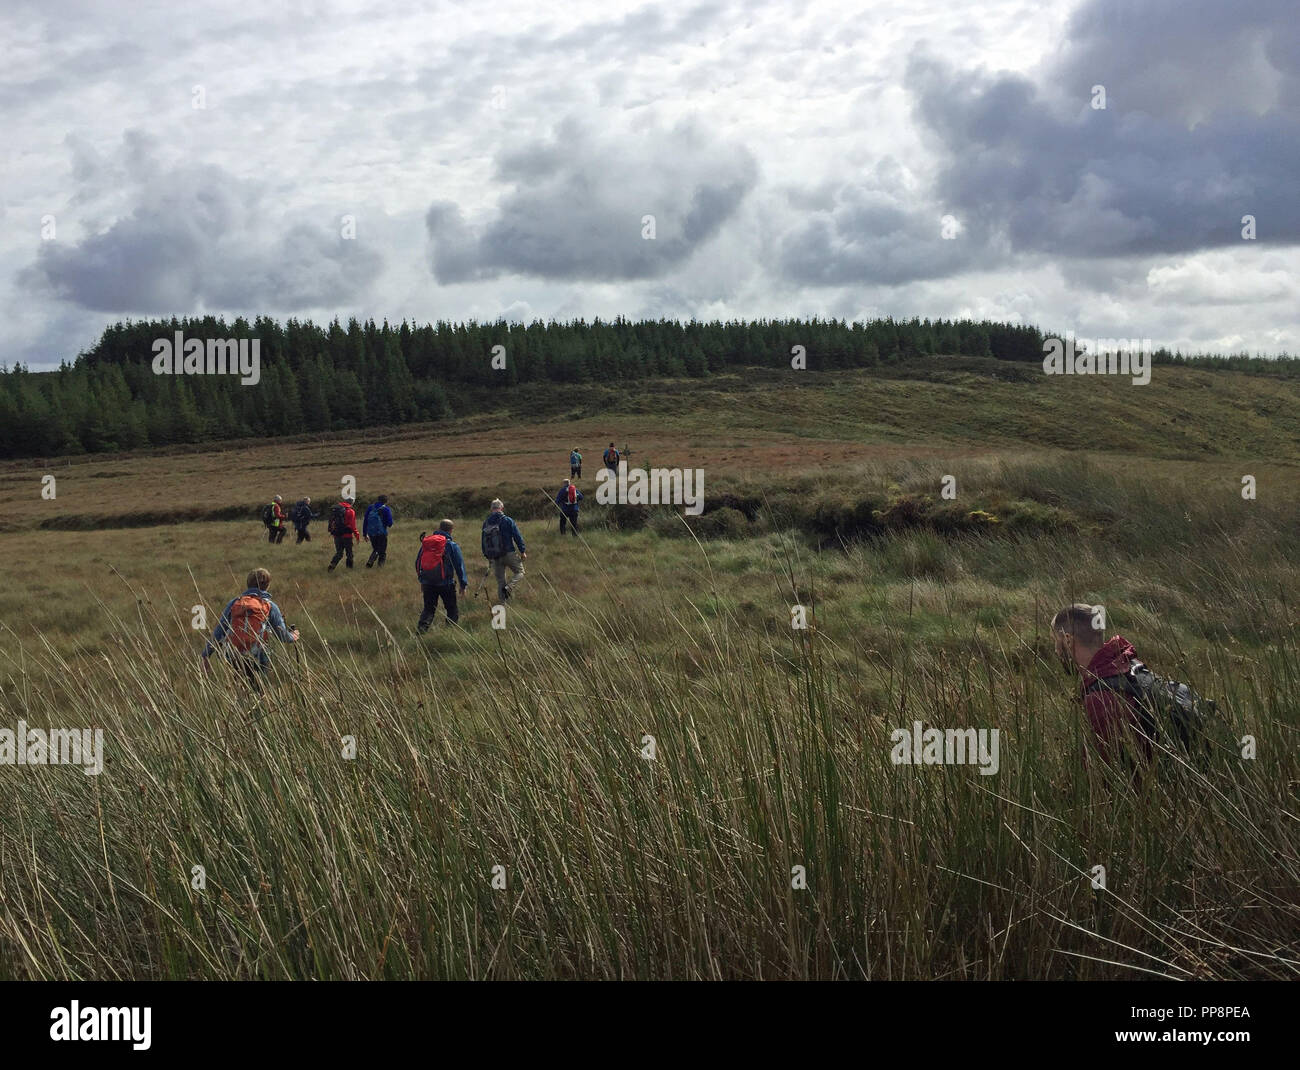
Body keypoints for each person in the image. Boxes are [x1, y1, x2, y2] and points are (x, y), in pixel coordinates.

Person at [1050, 604, 1153, 765]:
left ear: (1068, 640)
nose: (1056, 650)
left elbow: (1104, 776)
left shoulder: (1101, 699)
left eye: (1055, 641)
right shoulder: (1130, 665)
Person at [201, 567, 298, 689]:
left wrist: (206, 655)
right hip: (258, 656)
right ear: (267, 586)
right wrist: (293, 636)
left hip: (234, 657)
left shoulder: (235, 603)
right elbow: (282, 636)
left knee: (239, 690)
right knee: (259, 692)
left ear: (248, 584)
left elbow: (219, 631)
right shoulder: (270, 606)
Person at [416, 519, 469, 632]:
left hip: (428, 583)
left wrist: (422, 580)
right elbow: (459, 566)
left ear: (439, 528)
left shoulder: (426, 544)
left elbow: (418, 562)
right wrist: (463, 585)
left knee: (428, 609)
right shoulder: (451, 545)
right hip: (446, 583)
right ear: (451, 530)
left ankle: (421, 632)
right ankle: (450, 632)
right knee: (451, 609)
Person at [481, 498, 527, 602]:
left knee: (501, 581)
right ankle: (509, 587)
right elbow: (517, 536)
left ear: (491, 509)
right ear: (501, 508)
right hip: (509, 552)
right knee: (520, 572)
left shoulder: (486, 522)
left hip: (495, 556)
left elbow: (483, 541)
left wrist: (487, 556)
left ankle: (503, 604)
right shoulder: (507, 520)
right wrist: (522, 551)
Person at [327, 495, 360, 571]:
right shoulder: (351, 511)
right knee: (349, 553)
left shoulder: (336, 509)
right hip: (347, 536)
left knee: (339, 553)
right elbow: (353, 526)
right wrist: (357, 536)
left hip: (336, 535)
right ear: (352, 503)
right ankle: (349, 570)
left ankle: (331, 566)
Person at [362, 494, 395, 568]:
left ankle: (371, 561)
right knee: (382, 551)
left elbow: (365, 521)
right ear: (386, 501)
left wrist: (365, 533)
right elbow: (390, 523)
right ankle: (379, 567)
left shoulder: (370, 507)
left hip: (371, 533)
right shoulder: (386, 509)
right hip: (381, 532)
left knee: (376, 548)